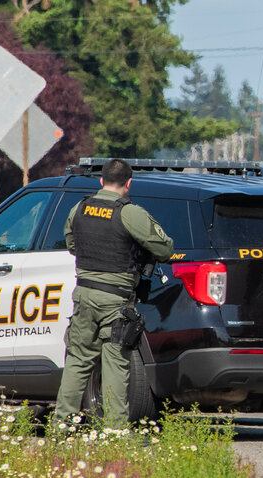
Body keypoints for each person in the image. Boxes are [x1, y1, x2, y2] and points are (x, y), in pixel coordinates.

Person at [54, 159, 174, 427]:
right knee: (116, 364)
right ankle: (115, 432)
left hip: (84, 294)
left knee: (78, 360)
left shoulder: (80, 208)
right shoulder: (130, 213)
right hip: (116, 301)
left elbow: (72, 244)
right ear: (129, 183)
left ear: (101, 181)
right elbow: (165, 249)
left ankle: (61, 426)